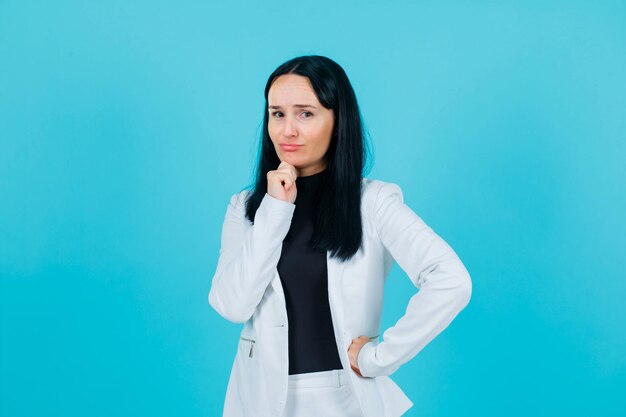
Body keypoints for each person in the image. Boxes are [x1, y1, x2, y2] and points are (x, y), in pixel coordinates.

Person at [208, 55, 472, 417]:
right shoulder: (246, 208)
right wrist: (275, 209)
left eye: (305, 114)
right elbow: (232, 305)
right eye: (277, 113)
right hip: (259, 400)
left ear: (337, 121)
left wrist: (380, 357)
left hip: (344, 400)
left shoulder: (372, 202)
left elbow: (451, 280)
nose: (288, 130)